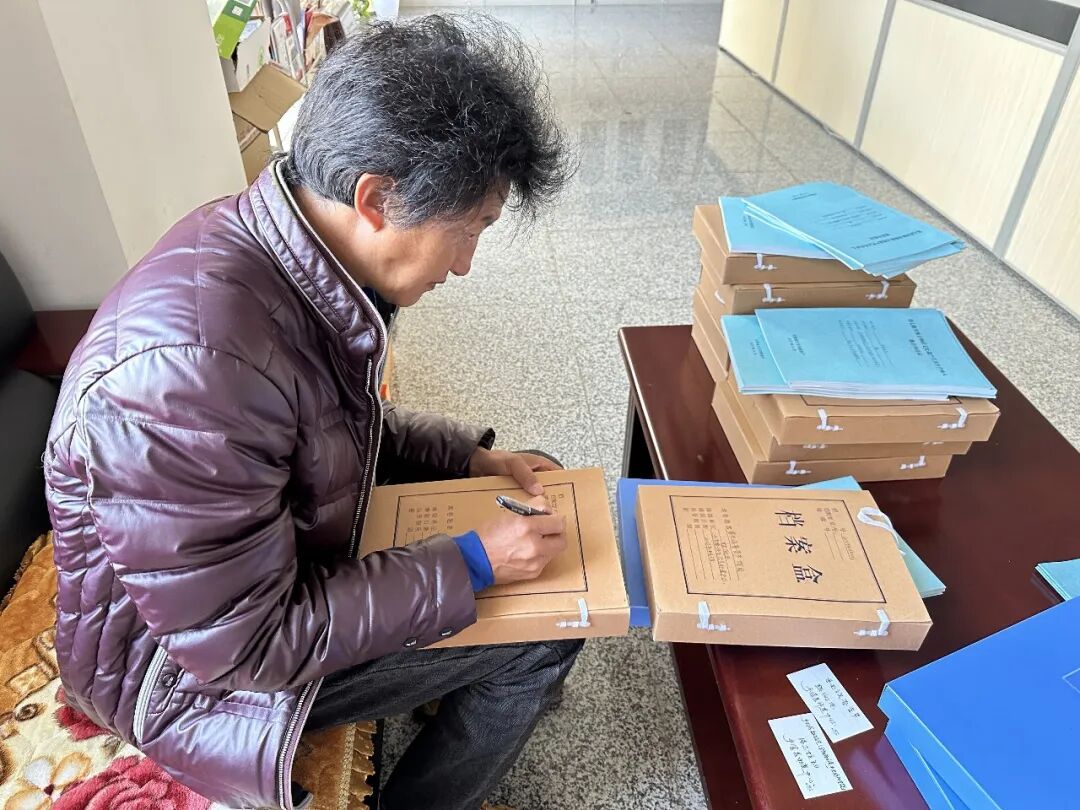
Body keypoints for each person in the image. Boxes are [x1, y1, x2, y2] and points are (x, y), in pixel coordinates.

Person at [44, 15, 578, 810]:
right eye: (469, 228)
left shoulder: (284, 250)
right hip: (186, 679)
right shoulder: (190, 375)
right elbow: (245, 647)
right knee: (543, 635)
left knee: (524, 482)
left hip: (264, 571)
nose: (466, 264)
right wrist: (471, 564)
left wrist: (467, 457)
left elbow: (326, 425)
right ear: (377, 198)